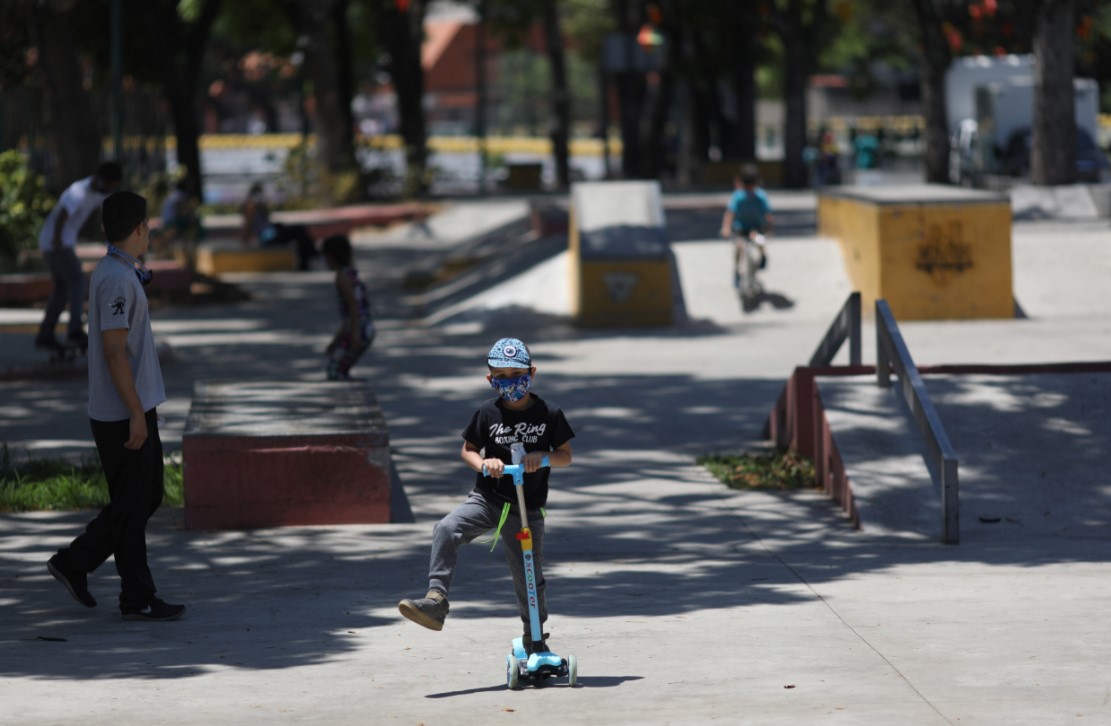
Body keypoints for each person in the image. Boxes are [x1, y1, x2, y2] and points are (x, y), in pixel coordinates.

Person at [46, 190, 186, 622]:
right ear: (140, 228)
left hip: (133, 407)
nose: (150, 233)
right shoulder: (116, 279)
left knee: (142, 499)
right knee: (133, 502)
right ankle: (123, 589)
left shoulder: (119, 271)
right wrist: (135, 414)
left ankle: (87, 569)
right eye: (148, 226)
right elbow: (112, 351)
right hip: (122, 412)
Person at [398, 337, 575, 653]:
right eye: (501, 376)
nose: (510, 382)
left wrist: (543, 457)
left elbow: (565, 454)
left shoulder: (549, 413)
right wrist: (484, 463)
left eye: (516, 374)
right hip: (488, 499)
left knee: (529, 577)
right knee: (446, 528)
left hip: (527, 508)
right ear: (490, 379)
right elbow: (467, 450)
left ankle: (535, 637)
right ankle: (436, 600)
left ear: (532, 372)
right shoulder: (486, 413)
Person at [34, 162, 123, 351]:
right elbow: (62, 216)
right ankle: (74, 330)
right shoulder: (79, 191)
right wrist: (57, 241)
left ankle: (45, 333)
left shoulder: (98, 192)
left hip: (58, 242)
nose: (110, 189)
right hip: (56, 242)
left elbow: (105, 216)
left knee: (61, 290)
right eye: (111, 185)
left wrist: (113, 241)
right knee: (77, 280)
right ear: (102, 180)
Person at [321, 234, 375, 380]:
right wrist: (336, 341)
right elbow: (349, 314)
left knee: (335, 370)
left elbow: (353, 306)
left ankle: (348, 397)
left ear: (330, 256)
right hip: (364, 328)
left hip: (359, 329)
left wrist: (355, 335)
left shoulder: (342, 277)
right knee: (339, 367)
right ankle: (348, 393)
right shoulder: (350, 273)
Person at [240, 181, 316, 270]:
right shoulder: (251, 205)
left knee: (298, 230)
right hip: (267, 237)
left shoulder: (258, 206)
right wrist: (245, 241)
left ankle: (308, 259)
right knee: (298, 231)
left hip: (271, 233)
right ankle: (312, 255)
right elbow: (248, 225)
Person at [720, 169, 774, 289]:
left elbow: (768, 214)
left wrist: (769, 228)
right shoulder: (738, 196)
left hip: (756, 228)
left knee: (760, 241)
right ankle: (737, 272)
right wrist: (726, 228)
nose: (749, 188)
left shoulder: (761, 196)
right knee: (739, 247)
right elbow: (730, 213)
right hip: (741, 228)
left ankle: (763, 255)